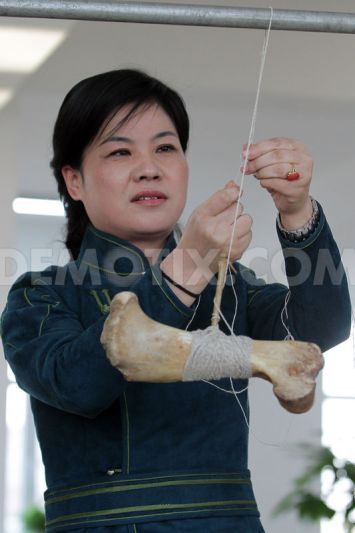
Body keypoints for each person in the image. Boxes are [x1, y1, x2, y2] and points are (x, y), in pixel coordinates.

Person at [1, 69, 351, 533]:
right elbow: (78, 385)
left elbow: (318, 332)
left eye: (165, 147)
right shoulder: (40, 296)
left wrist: (297, 211)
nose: (149, 167)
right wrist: (188, 268)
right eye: (120, 151)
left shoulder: (232, 286)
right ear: (74, 181)